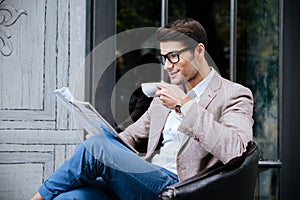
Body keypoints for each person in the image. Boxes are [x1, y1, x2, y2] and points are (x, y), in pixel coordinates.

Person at [31, 17, 254, 200]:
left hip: (181, 188)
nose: (167, 66)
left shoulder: (233, 94)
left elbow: (236, 150)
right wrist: (106, 138)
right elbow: (131, 137)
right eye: (164, 58)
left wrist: (184, 105)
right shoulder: (162, 97)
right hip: (146, 181)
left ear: (199, 51)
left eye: (174, 56)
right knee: (72, 198)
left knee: (96, 148)